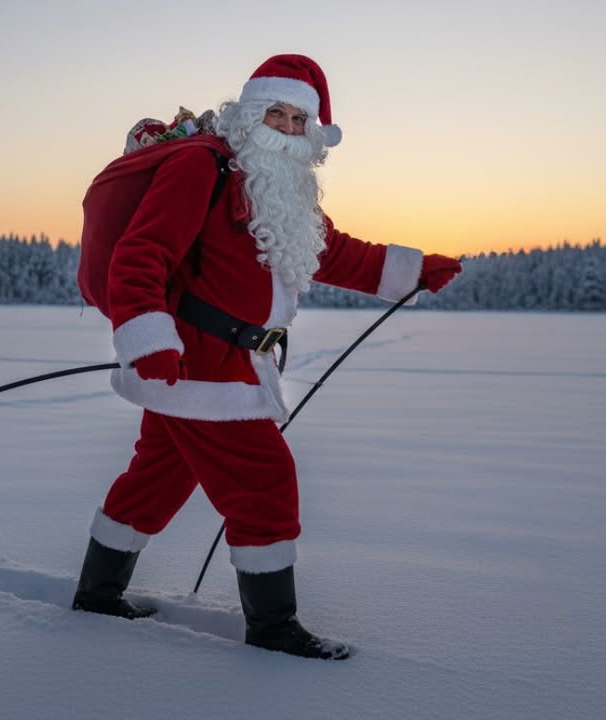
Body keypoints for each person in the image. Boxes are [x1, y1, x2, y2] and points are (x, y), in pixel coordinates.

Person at [71, 54, 462, 660]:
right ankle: (273, 629)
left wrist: (414, 269)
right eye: (271, 113)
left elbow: (334, 253)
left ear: (311, 133)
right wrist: (148, 337)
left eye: (294, 118)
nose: (281, 127)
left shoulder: (283, 190)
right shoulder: (202, 169)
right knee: (264, 483)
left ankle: (97, 594)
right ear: (247, 114)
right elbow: (141, 254)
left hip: (230, 366)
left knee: (157, 477)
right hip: (197, 365)